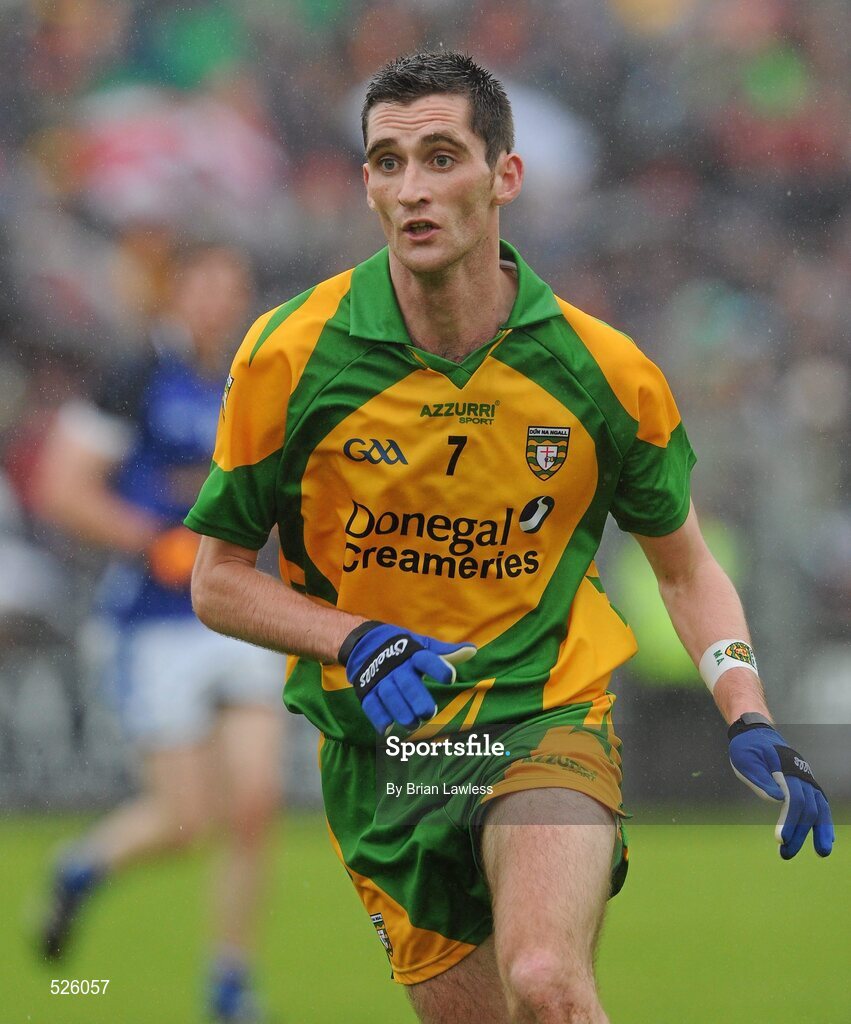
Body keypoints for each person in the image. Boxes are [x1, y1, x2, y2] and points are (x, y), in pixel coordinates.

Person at [185, 53, 834, 1024]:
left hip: (542, 716)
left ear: (505, 176)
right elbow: (218, 580)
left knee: (544, 980)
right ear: (366, 183)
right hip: (384, 753)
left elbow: (684, 567)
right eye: (388, 162)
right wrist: (353, 640)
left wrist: (746, 710)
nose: (412, 187)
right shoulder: (289, 355)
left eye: (441, 157)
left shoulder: (603, 370)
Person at [34, 243, 286, 1024]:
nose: (217, 302)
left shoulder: (250, 380)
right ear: (174, 293)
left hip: (235, 608)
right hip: (153, 626)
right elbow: (61, 488)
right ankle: (81, 867)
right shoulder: (133, 374)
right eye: (202, 286)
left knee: (255, 799)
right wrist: (153, 542)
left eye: (231, 288)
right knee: (185, 822)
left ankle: (229, 982)